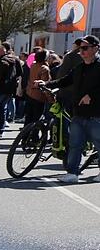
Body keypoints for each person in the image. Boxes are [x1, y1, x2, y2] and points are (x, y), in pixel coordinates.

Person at [40, 34, 100, 183]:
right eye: (80, 48)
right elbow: (65, 80)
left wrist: (91, 95)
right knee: (74, 145)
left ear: (95, 48)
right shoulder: (79, 67)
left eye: (85, 48)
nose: (82, 51)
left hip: (96, 114)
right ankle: (73, 173)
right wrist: (46, 84)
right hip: (78, 113)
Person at [25, 49, 51, 125]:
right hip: (39, 95)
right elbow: (45, 84)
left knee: (29, 116)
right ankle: (34, 135)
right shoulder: (44, 68)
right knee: (37, 117)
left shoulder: (33, 65)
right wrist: (50, 98)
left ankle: (25, 134)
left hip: (30, 93)